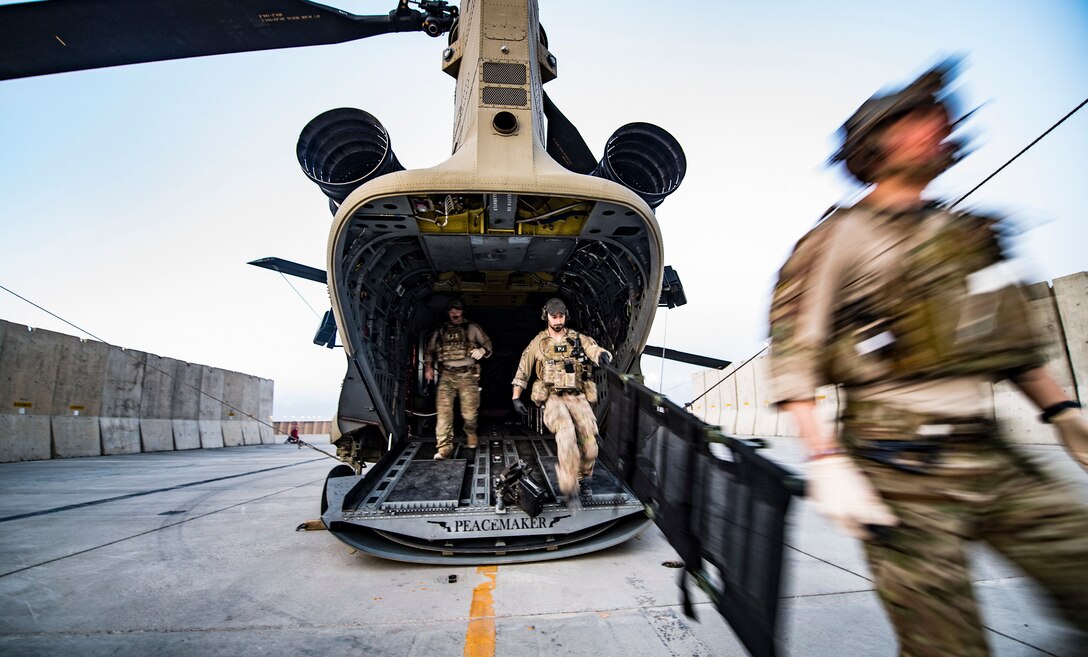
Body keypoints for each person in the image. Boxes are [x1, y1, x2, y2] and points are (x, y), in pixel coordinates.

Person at [768, 60, 1088, 656]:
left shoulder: (968, 235)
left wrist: (1065, 414)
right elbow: (795, 357)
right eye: (918, 119)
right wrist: (827, 459)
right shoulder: (837, 240)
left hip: (989, 452)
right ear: (876, 143)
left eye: (940, 118)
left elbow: (1010, 348)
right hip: (899, 469)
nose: (939, 126)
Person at [512, 298, 612, 502]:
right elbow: (523, 369)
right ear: (546, 316)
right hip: (553, 398)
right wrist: (516, 398)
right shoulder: (538, 343)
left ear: (565, 316)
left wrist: (602, 355)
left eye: (561, 316)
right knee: (566, 435)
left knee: (590, 443)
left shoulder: (577, 338)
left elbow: (594, 349)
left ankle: (583, 478)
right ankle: (569, 486)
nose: (558, 321)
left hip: (577, 397)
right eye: (554, 317)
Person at [424, 299, 492, 459]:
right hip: (447, 375)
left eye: (458, 310)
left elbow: (488, 342)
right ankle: (444, 449)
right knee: (444, 413)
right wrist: (428, 367)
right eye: (452, 310)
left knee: (469, 414)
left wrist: (483, 350)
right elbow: (430, 350)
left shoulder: (472, 328)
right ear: (448, 312)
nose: (455, 313)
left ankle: (470, 431)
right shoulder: (440, 330)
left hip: (467, 375)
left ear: (462, 312)